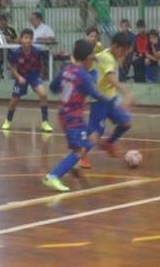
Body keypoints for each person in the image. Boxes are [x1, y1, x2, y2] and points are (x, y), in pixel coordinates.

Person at [43, 40, 115, 192]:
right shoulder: (84, 76)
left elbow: (53, 87)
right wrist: (113, 102)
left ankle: (72, 163)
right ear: (88, 58)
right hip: (73, 117)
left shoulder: (66, 70)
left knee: (92, 135)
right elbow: (95, 94)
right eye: (93, 59)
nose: (93, 62)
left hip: (64, 114)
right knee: (80, 150)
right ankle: (54, 176)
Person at [85, 32, 135, 160]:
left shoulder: (107, 53)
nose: (124, 54)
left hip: (110, 100)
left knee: (126, 122)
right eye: (122, 51)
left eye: (126, 52)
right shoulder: (108, 58)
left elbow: (95, 58)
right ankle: (80, 156)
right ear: (114, 46)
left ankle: (109, 143)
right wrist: (127, 92)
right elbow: (111, 78)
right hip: (99, 101)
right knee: (96, 133)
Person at [1, 29, 53, 133]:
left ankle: (45, 122)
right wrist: (19, 77)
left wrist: (41, 74)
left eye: (30, 38)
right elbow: (12, 67)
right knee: (14, 100)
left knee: (43, 94)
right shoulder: (16, 53)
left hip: (34, 75)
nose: (28, 40)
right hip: (21, 76)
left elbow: (41, 64)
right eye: (25, 38)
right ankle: (8, 120)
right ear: (21, 39)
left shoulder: (37, 51)